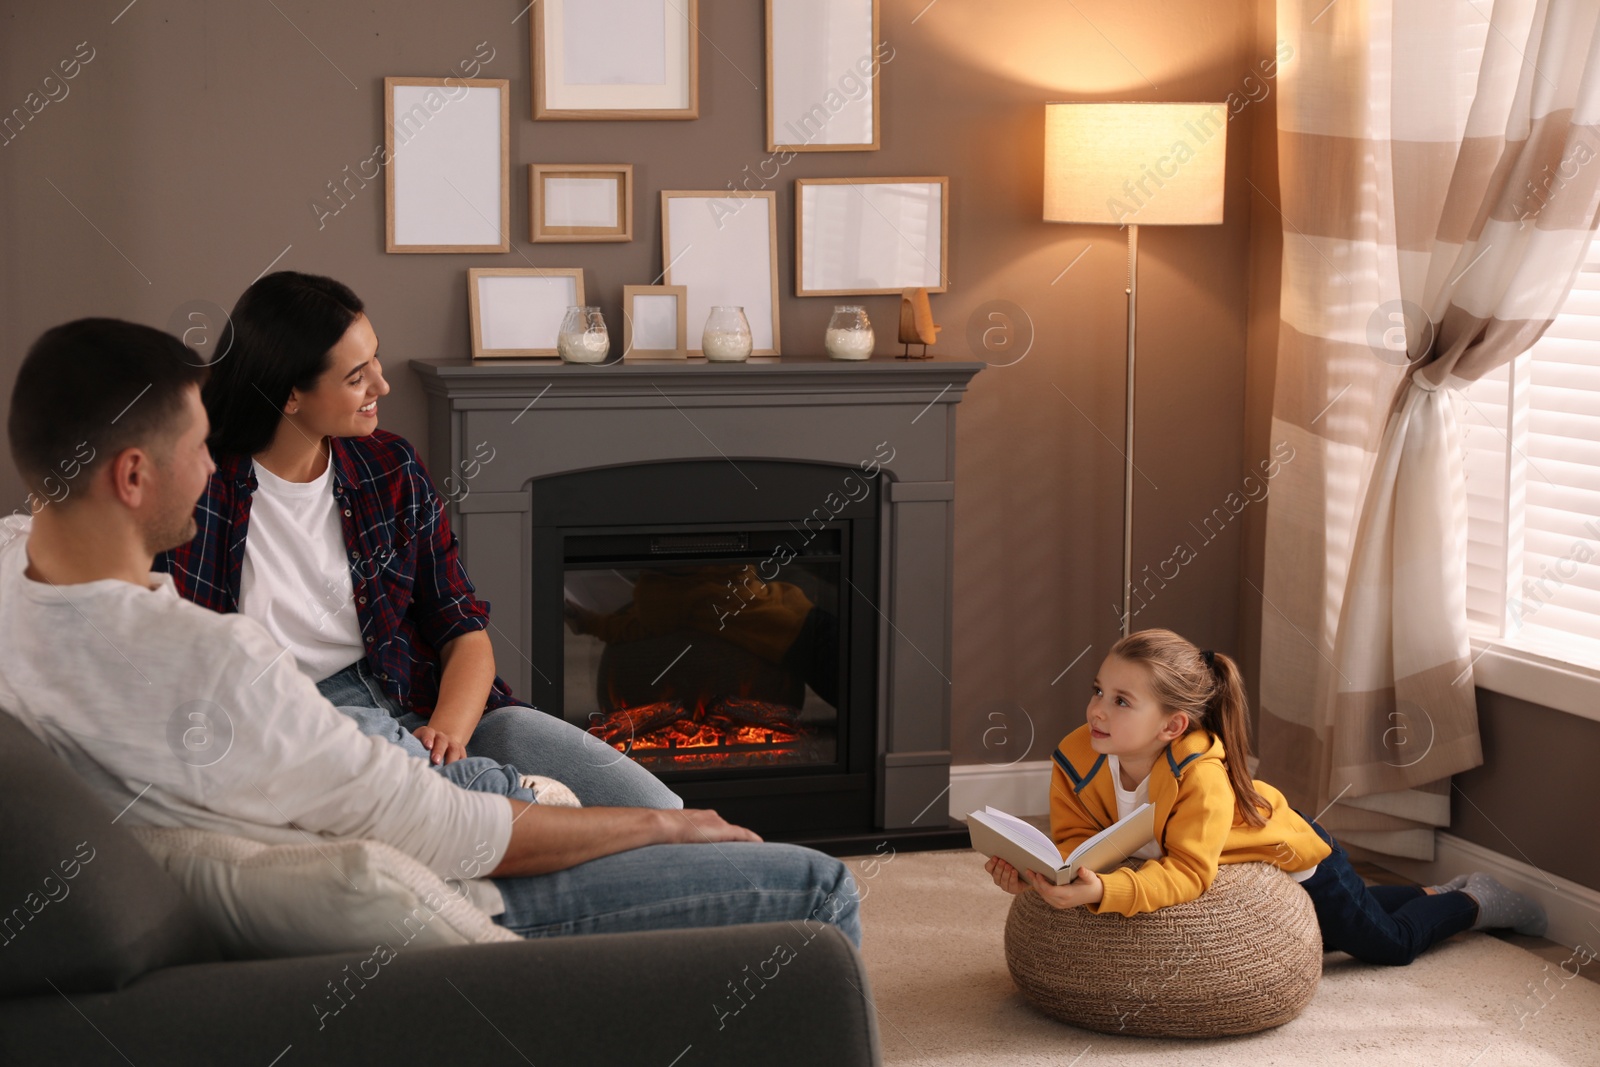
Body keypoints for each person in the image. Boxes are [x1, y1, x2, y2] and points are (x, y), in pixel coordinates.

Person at [0, 318, 859, 943]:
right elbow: (453, 831)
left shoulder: (17, 581)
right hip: (453, 892)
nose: (209, 461)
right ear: (134, 473)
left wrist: (454, 727)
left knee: (610, 781)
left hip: (398, 754)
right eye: (196, 444)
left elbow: (458, 623)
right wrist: (658, 832)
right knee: (820, 886)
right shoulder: (220, 662)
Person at [152, 272, 679, 810]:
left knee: (654, 806)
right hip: (302, 722)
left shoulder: (390, 467)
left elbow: (462, 628)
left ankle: (511, 800)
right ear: (290, 395)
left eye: (375, 360)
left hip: (419, 698)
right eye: (358, 377)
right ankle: (515, 805)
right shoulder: (201, 488)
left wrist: (447, 733)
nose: (382, 386)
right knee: (498, 808)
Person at [984, 628, 1545, 966]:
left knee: (1384, 944)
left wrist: (1105, 889)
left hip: (1298, 860)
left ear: (1172, 726)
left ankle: (1475, 903)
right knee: (1355, 920)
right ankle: (1428, 890)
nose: (1097, 710)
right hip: (1245, 858)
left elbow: (1188, 875)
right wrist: (1045, 871)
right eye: (1098, 691)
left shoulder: (1200, 774)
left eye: (1122, 701)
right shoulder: (1076, 756)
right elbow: (1080, 839)